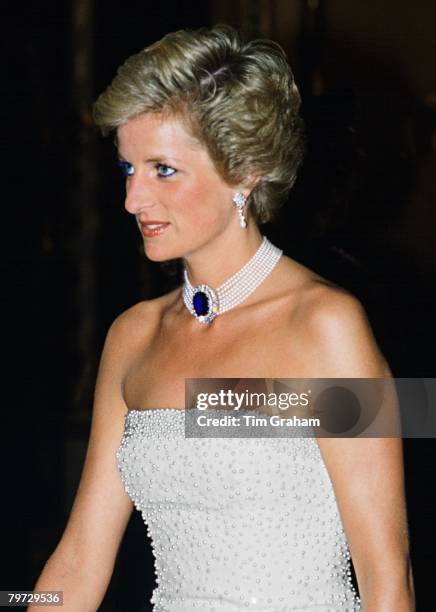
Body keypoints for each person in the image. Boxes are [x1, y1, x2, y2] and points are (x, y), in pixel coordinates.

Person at [29, 25, 415, 611]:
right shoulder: (134, 335)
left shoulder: (327, 326)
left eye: (162, 169)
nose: (134, 200)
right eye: (127, 169)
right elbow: (81, 558)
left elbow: (388, 578)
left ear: (245, 172)